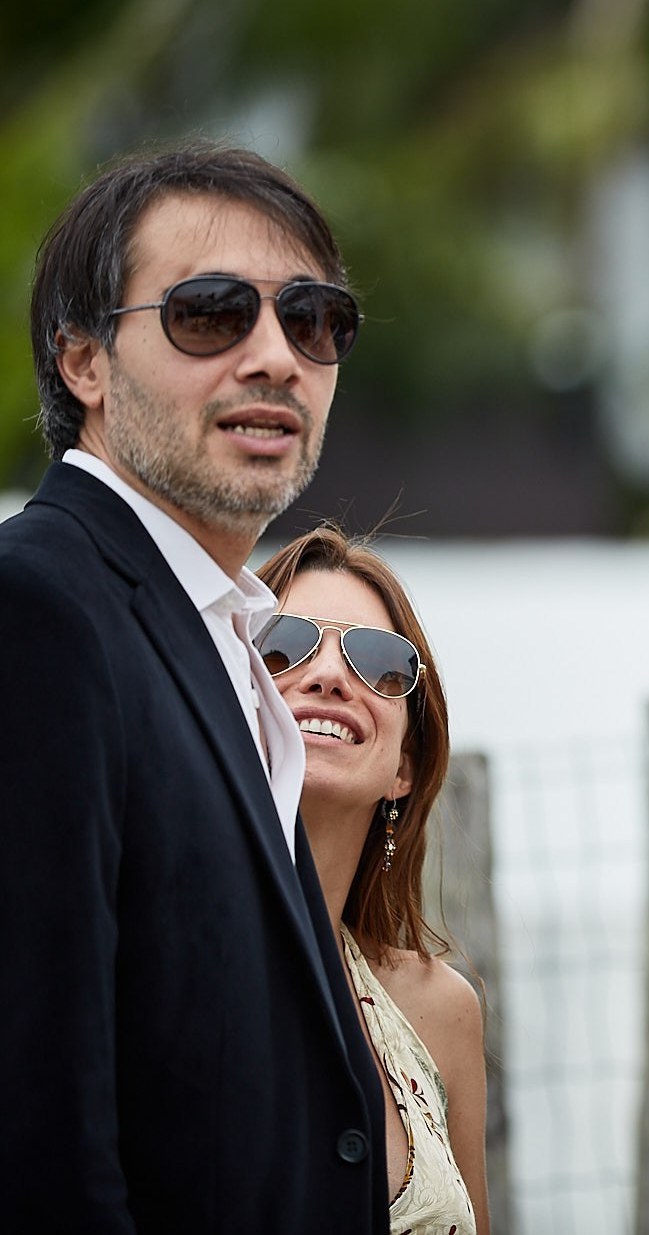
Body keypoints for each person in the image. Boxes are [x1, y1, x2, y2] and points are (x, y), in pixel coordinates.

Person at [0, 143, 388, 1229]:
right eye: (210, 314)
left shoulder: (220, 635)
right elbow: (35, 1112)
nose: (275, 356)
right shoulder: (38, 610)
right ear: (83, 361)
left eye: (315, 321)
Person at [256, 526, 489, 1235]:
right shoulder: (143, 960)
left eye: (381, 663)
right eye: (282, 643)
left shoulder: (442, 1010)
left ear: (405, 767)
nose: (328, 673)